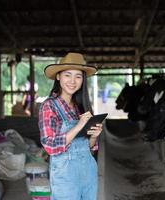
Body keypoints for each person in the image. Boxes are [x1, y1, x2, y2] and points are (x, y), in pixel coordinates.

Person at [38, 52, 102, 200]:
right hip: (65, 176)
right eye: (68, 75)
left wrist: (93, 136)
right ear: (58, 76)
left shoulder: (81, 106)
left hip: (88, 172)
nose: (73, 81)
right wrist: (79, 125)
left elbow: (89, 148)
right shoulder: (49, 106)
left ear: (83, 80)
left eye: (78, 76)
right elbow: (50, 146)